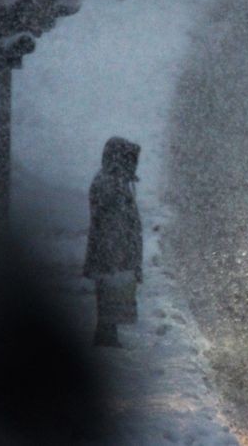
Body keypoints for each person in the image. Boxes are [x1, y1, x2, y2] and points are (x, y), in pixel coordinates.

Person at [83, 137, 143, 347]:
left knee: (109, 295)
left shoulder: (111, 180)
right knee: (109, 294)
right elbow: (113, 224)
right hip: (111, 252)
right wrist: (118, 254)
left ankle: (108, 334)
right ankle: (106, 337)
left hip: (110, 251)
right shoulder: (112, 184)